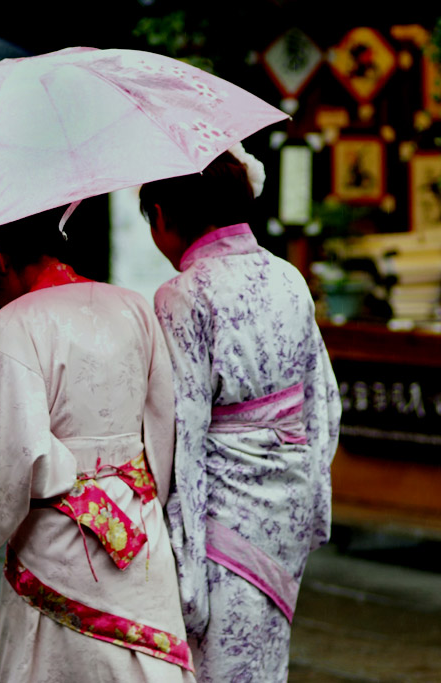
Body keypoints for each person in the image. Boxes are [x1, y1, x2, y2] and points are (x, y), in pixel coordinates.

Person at [0, 209, 196, 682]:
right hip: (137, 531)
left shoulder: (15, 323)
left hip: (56, 542)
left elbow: (15, 449)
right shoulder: (132, 306)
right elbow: (162, 424)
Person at [139, 146, 342, 682]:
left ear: (162, 216)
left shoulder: (181, 294)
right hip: (286, 510)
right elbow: (323, 403)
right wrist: (311, 500)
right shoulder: (290, 278)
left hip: (223, 516)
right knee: (266, 664)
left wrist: (179, 556)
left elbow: (181, 434)